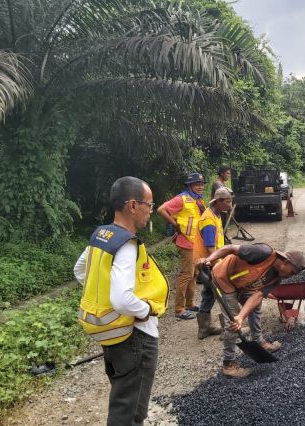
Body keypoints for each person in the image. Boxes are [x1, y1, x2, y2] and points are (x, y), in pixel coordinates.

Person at [74, 176, 168, 425]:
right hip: (134, 337)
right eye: (149, 204)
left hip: (114, 336)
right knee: (130, 412)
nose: (151, 210)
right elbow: (122, 299)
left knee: (122, 399)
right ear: (133, 205)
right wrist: (145, 310)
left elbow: (80, 270)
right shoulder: (127, 244)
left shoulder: (102, 235)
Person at [198, 244, 305, 378]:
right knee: (233, 322)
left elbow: (258, 296)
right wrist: (209, 259)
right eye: (292, 272)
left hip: (242, 284)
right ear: (286, 262)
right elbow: (230, 248)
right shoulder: (262, 253)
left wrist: (242, 316)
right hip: (223, 277)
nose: (290, 276)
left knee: (253, 307)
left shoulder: (277, 278)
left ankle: (259, 341)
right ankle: (229, 365)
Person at [157, 172, 206, 320]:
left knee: (194, 274)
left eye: (202, 184)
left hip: (195, 243)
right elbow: (161, 210)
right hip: (185, 242)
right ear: (190, 185)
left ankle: (190, 303)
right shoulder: (181, 199)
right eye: (197, 184)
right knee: (186, 274)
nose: (200, 187)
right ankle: (179, 309)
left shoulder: (198, 200)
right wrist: (175, 225)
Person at [193, 187, 234, 339]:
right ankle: (228, 329)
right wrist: (222, 264)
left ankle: (204, 328)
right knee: (224, 293)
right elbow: (211, 248)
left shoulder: (215, 214)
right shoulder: (209, 220)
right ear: (219, 201)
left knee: (209, 295)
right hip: (209, 263)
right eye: (228, 202)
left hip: (208, 263)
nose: (230, 205)